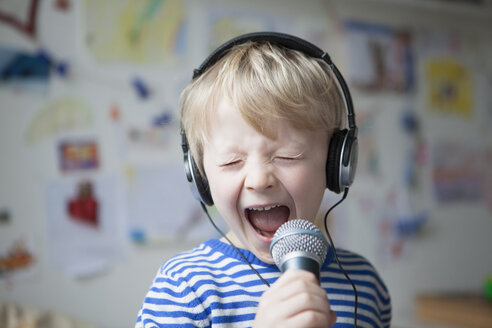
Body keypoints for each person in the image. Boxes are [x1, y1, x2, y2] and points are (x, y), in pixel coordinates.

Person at [136, 32, 391, 328]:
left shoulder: (365, 284)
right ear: (200, 175)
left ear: (336, 164)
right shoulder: (185, 288)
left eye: (288, 155)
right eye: (232, 160)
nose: (259, 180)